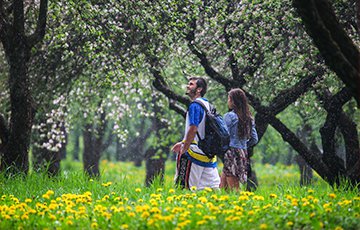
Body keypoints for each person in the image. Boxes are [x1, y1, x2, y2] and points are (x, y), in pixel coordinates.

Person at [172, 77, 220, 190]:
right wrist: (183, 142)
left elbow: (193, 128)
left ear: (199, 89)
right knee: (213, 189)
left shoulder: (194, 106)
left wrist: (184, 148)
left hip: (193, 154)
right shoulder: (208, 106)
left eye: (191, 84)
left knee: (184, 188)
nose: (188, 86)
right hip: (208, 154)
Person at [220, 88, 258, 191]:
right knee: (222, 187)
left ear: (233, 101)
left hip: (231, 153)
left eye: (229, 99)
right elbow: (254, 139)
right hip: (242, 153)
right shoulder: (249, 118)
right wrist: (243, 146)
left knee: (234, 188)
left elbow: (223, 134)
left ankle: (241, 205)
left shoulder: (229, 116)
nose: (228, 101)